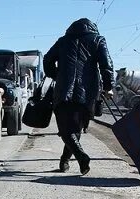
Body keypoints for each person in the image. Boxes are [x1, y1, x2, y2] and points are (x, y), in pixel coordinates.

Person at [44, 18, 114, 174]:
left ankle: (78, 157)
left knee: (66, 129)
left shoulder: (63, 41)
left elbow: (47, 59)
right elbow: (106, 64)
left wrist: (56, 75)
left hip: (63, 90)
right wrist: (108, 86)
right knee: (75, 128)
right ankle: (67, 161)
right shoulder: (97, 40)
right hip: (88, 92)